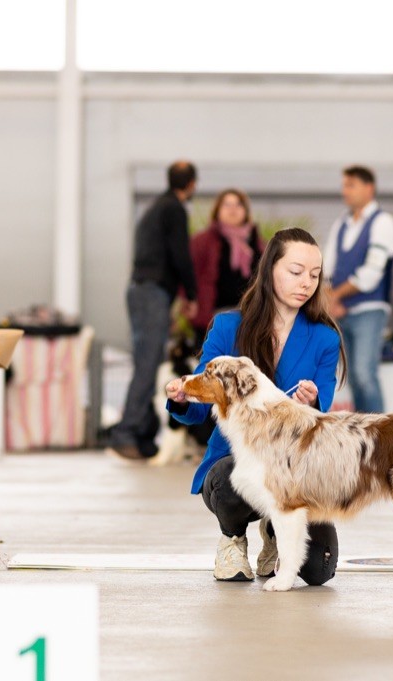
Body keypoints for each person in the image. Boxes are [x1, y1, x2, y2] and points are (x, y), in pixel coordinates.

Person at [164, 228, 347, 584]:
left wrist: (311, 404)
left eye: (315, 274)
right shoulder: (227, 326)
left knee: (319, 571)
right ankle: (232, 539)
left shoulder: (325, 337)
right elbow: (202, 404)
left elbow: (322, 413)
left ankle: (274, 531)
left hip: (296, 469)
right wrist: (183, 396)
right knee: (230, 477)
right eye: (296, 272)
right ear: (269, 270)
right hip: (236, 462)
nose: (306, 282)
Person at [108, 161, 199, 460]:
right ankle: (126, 433)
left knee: (148, 360)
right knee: (148, 364)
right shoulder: (173, 209)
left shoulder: (156, 207)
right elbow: (180, 255)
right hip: (152, 292)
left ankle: (144, 436)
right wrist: (191, 294)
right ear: (192, 184)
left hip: (142, 291)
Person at [323, 165, 393, 413]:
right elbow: (327, 270)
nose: (345, 191)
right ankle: (364, 437)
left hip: (370, 309)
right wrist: (329, 299)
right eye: (344, 185)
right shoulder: (342, 223)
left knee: (364, 374)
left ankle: (382, 438)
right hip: (341, 311)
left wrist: (334, 296)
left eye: (351, 185)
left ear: (370, 188)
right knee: (353, 378)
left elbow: (372, 273)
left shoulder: (384, 222)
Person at [187, 188, 265, 342]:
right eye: (227, 205)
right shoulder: (202, 241)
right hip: (213, 318)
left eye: (238, 205)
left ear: (245, 211)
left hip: (250, 318)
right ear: (217, 210)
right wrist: (189, 302)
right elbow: (188, 274)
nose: (233, 210)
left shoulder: (257, 242)